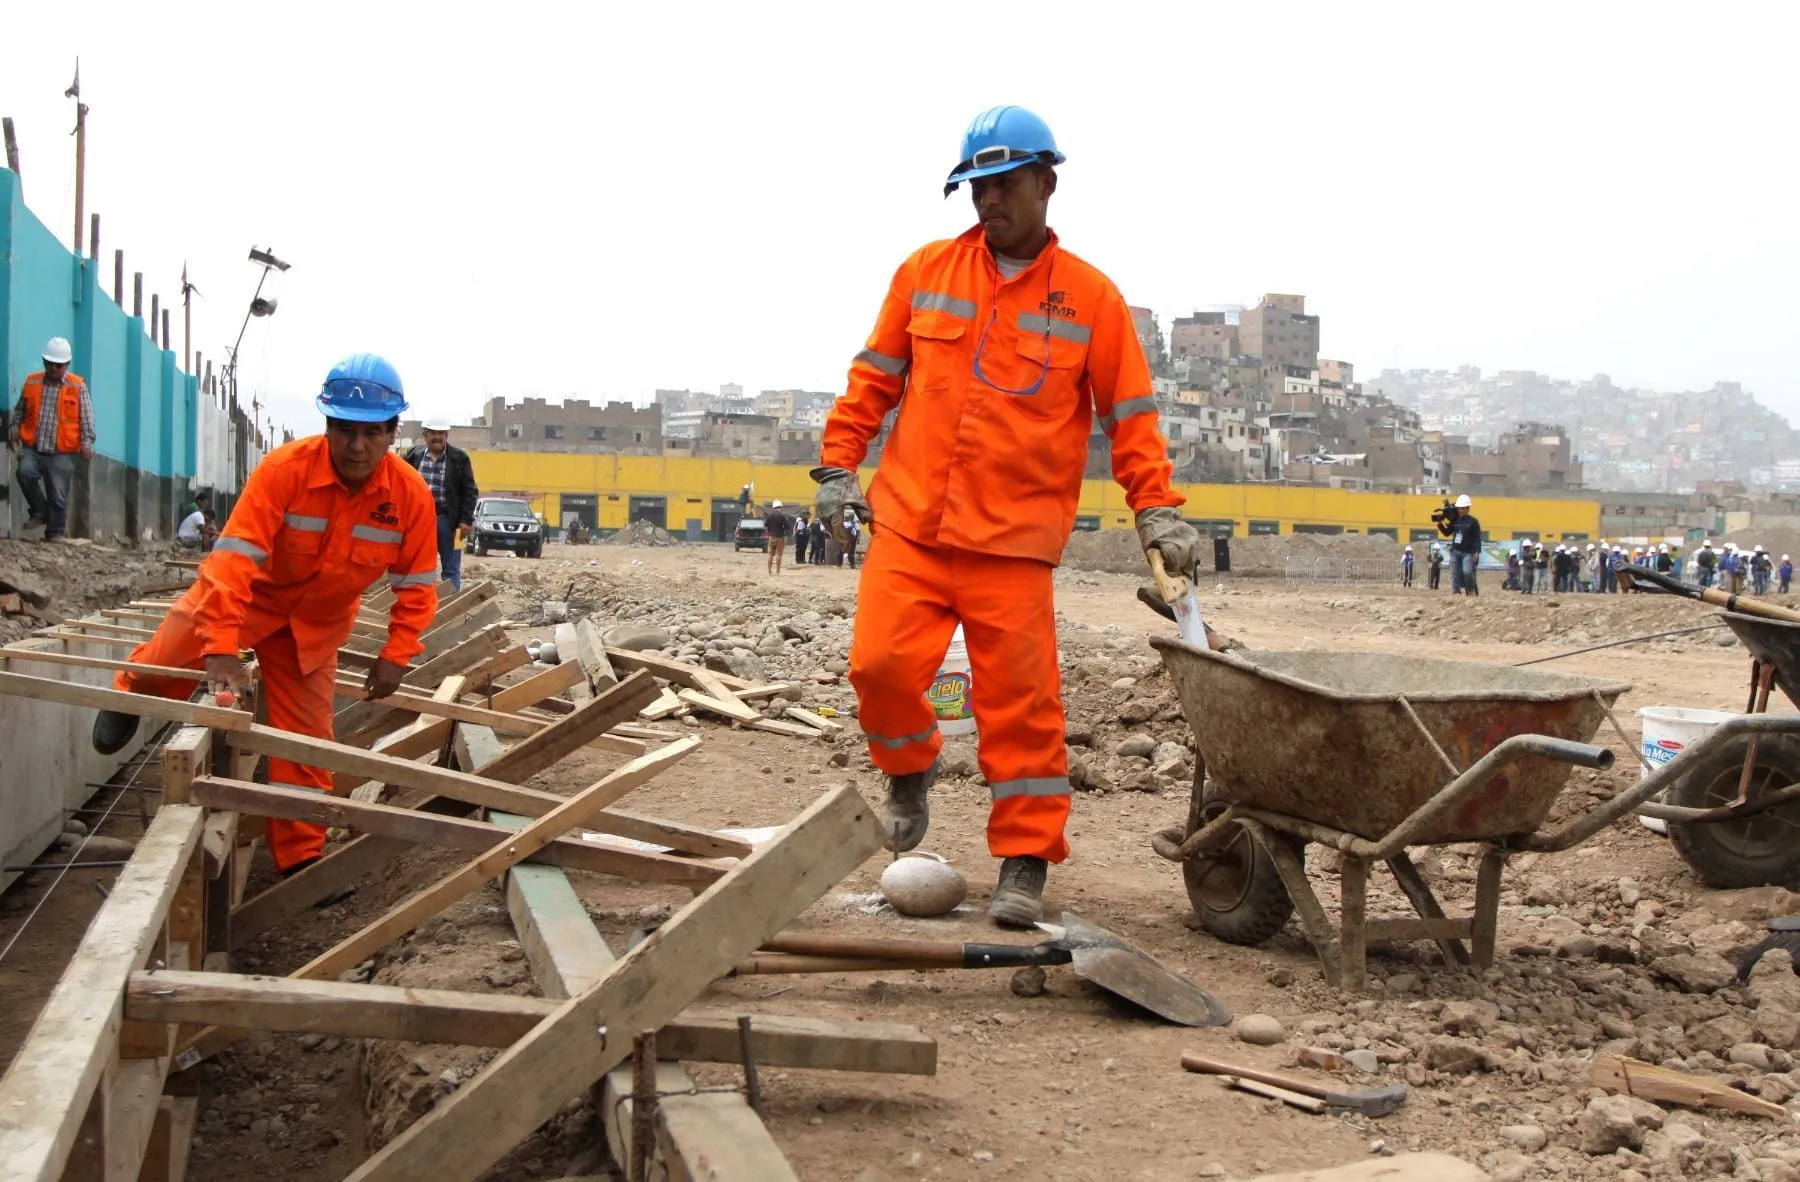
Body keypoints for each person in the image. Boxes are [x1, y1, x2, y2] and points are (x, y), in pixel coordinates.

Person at [816, 105, 1200, 927]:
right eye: (976, 188)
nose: (987, 202)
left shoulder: (1091, 300)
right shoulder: (925, 272)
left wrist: (1158, 513)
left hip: (1012, 545)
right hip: (912, 526)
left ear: (1045, 183)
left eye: (1002, 185)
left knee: (1021, 713)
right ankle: (909, 769)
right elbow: (873, 378)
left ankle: (1024, 861)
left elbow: (1130, 419)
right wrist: (836, 462)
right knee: (879, 670)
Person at [93, 354, 440, 881]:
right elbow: (232, 562)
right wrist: (221, 647)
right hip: (251, 599)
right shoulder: (284, 472)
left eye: (371, 433)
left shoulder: (409, 497)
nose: (356, 446)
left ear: (392, 433)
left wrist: (396, 655)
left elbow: (416, 585)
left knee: (304, 744)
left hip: (316, 625)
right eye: (344, 430)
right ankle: (132, 686)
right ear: (327, 425)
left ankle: (300, 859)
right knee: (166, 658)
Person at [7, 337, 95, 542]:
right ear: (44, 362)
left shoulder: (77, 386)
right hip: (33, 446)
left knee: (58, 495)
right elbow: (20, 411)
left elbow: (86, 417)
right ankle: (39, 511)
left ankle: (54, 534)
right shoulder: (32, 381)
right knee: (24, 472)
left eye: (58, 365)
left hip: (62, 450)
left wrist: (86, 443)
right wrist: (13, 429)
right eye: (49, 364)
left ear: (67, 365)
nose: (53, 368)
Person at [404, 420, 479, 592]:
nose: (437, 437)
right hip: (418, 521)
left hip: (449, 521)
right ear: (425, 436)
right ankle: (419, 605)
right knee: (417, 566)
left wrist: (466, 520)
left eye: (441, 434)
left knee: (451, 567)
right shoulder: (413, 455)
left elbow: (470, 490)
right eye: (432, 433)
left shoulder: (459, 458)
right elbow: (401, 484)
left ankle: (450, 609)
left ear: (446, 436)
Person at [764, 499, 792, 574]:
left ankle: (769, 570)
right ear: (779, 507)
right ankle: (778, 571)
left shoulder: (770, 516)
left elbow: (765, 525)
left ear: (773, 508)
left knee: (770, 554)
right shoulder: (782, 516)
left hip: (771, 537)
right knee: (779, 555)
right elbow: (787, 526)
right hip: (779, 537)